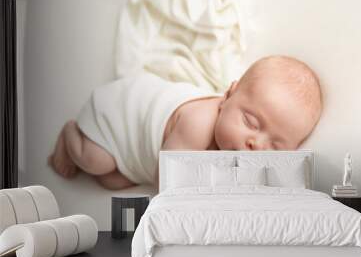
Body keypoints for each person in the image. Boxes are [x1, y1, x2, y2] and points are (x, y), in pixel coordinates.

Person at [48, 55, 322, 190]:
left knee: (111, 182)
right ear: (227, 95)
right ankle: (71, 135)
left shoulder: (233, 145)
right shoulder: (199, 123)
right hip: (120, 116)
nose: (256, 145)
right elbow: (167, 181)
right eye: (250, 122)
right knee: (96, 162)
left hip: (147, 149)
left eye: (275, 146)